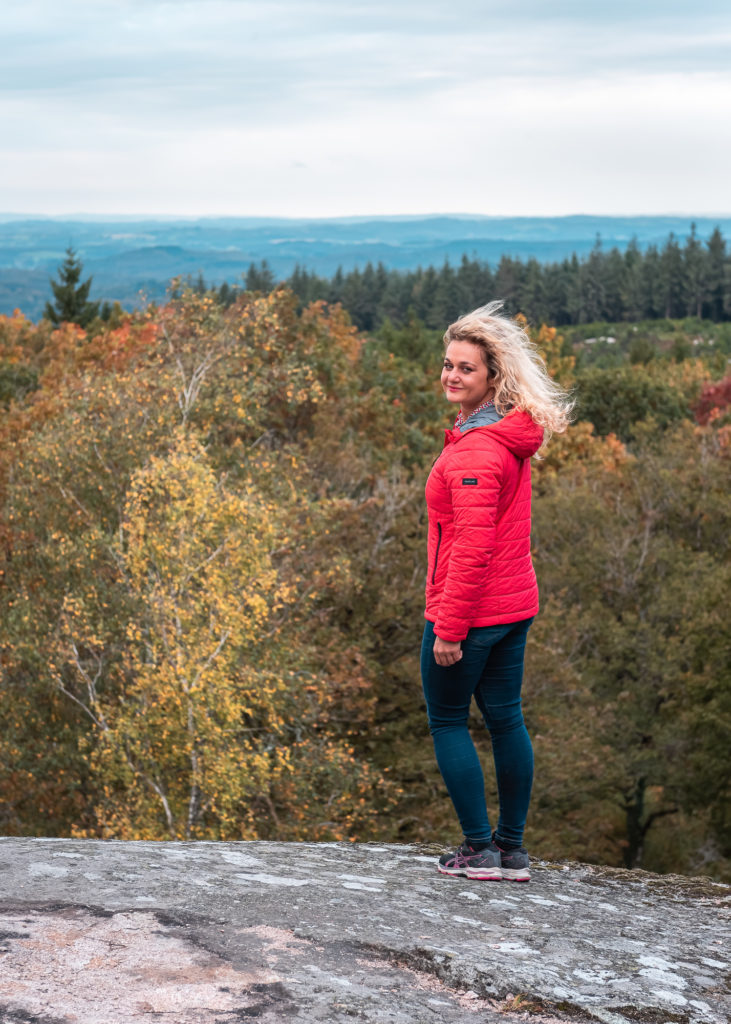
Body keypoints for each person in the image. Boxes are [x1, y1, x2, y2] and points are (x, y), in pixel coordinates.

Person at [422, 301, 572, 882]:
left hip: (473, 610)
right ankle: (511, 851)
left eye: (466, 368)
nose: (452, 375)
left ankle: (479, 850)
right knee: (506, 718)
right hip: (513, 604)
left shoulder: (479, 451)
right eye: (448, 364)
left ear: (493, 378)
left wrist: (449, 630)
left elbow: (473, 547)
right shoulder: (505, 435)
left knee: (448, 722)